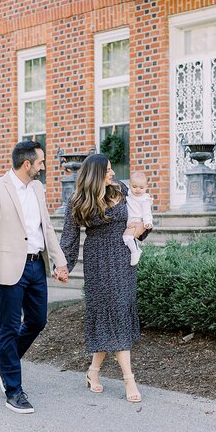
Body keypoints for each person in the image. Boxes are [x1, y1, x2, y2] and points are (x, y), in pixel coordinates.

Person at [0, 141, 69, 414]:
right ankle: (13, 390)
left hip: (35, 266)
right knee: (8, 327)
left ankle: (4, 364)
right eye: (40, 162)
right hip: (7, 269)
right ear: (27, 164)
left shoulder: (37, 188)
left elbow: (47, 227)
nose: (43, 167)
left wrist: (59, 261)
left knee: (38, 320)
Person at [60, 153, 146, 403]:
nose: (112, 173)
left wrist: (143, 229)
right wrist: (63, 266)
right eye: (108, 170)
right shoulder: (78, 200)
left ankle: (94, 371)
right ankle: (128, 379)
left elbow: (140, 217)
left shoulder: (122, 190)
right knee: (107, 313)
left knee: (119, 310)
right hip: (98, 260)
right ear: (96, 174)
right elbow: (69, 237)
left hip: (122, 257)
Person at [123, 170, 153, 266]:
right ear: (129, 185)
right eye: (134, 187)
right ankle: (136, 249)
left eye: (141, 187)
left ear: (146, 187)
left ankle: (135, 252)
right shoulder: (129, 194)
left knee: (126, 237)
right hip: (130, 221)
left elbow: (147, 212)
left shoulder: (145, 199)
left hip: (138, 221)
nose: (138, 190)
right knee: (128, 238)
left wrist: (147, 222)